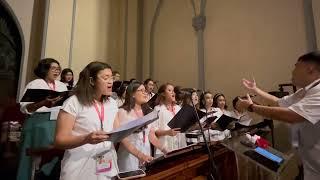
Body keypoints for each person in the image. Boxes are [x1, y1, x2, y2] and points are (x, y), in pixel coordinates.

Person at [236, 51, 320, 180]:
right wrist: (256, 90)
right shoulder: (303, 92)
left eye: (296, 66)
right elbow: (278, 102)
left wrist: (252, 107)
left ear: (310, 68)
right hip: (308, 167)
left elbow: (292, 115)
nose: (292, 71)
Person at [55, 62, 118, 180]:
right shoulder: (74, 102)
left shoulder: (112, 103)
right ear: (92, 81)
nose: (111, 82)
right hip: (80, 165)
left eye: (112, 78)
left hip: (106, 162)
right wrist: (86, 139)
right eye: (106, 78)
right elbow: (60, 140)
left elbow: (117, 131)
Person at [18, 58, 67, 180]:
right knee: (32, 160)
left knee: (56, 155)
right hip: (37, 123)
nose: (57, 71)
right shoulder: (35, 84)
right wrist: (42, 103)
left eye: (58, 69)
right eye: (53, 68)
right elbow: (25, 108)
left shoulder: (62, 86)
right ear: (45, 70)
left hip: (57, 123)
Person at [115, 81, 166, 172]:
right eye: (141, 90)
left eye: (145, 90)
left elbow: (151, 136)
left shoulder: (148, 112)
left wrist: (165, 150)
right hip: (129, 155)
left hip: (146, 153)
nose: (145, 93)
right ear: (132, 94)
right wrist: (139, 155)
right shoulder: (123, 112)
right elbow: (123, 139)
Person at [152, 83, 186, 156]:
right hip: (164, 147)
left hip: (178, 145)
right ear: (163, 94)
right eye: (169, 90)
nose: (173, 92)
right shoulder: (158, 109)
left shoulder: (178, 108)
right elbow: (155, 131)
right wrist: (167, 132)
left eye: (173, 91)